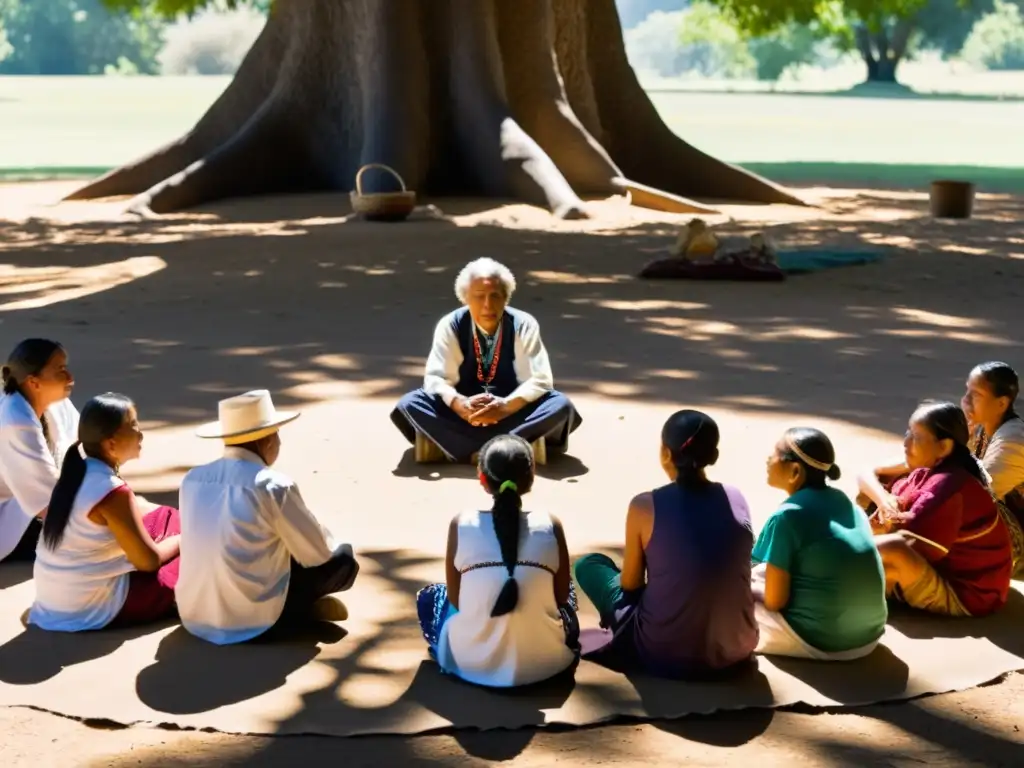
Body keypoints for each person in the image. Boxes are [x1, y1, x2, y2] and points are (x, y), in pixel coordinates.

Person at [573, 410, 758, 679]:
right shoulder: (736, 498)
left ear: (666, 454)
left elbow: (630, 585)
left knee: (590, 565)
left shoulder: (644, 506)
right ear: (712, 456)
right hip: (735, 650)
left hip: (661, 651)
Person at [176, 390, 359, 645]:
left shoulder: (192, 479)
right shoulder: (273, 485)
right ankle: (297, 611)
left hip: (194, 617)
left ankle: (297, 607)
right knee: (343, 560)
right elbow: (317, 555)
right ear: (268, 440)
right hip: (255, 624)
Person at [415, 434, 579, 687]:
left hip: (470, 663)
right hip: (546, 664)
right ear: (532, 475)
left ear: (482, 478)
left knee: (432, 596)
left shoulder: (462, 523)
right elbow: (560, 599)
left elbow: (457, 600)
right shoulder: (550, 524)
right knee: (566, 588)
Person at [391, 257, 582, 463]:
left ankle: (460, 447)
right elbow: (437, 379)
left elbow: (540, 380)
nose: (487, 305)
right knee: (411, 403)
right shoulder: (451, 324)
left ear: (506, 297)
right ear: (465, 298)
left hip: (512, 409)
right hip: (465, 412)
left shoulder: (523, 324)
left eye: (495, 296)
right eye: (479, 296)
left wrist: (505, 407)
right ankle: (508, 447)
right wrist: (459, 404)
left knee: (559, 405)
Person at [29, 393, 181, 632]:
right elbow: (149, 562)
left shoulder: (75, 473)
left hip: (55, 602)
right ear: (110, 443)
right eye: (133, 426)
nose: (140, 433)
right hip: (91, 606)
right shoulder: (111, 491)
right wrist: (182, 541)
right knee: (194, 548)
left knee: (169, 517)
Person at [859, 400, 1012, 618]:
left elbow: (911, 549)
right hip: (942, 568)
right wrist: (885, 503)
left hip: (968, 595)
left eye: (916, 437)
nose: (905, 442)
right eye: (907, 432)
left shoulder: (948, 489)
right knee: (869, 504)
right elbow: (867, 478)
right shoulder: (927, 469)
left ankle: (832, 579)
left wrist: (878, 529)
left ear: (944, 447)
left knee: (892, 549)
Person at [754, 428, 887, 660]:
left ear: (795, 471)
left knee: (726, 598)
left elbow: (774, 602)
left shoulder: (788, 516)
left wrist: (748, 589)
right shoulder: (844, 502)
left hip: (825, 642)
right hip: (869, 636)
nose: (768, 458)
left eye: (774, 453)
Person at [0, 339, 80, 563]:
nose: (70, 377)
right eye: (60, 370)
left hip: (30, 502)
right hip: (11, 513)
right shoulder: (15, 422)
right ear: (34, 382)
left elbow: (85, 450)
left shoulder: (54, 401)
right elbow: (48, 505)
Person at [962, 361, 1024, 575]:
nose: (966, 400)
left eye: (976, 395)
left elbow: (977, 495)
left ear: (1001, 404)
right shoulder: (980, 427)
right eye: (967, 391)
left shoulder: (1013, 439)